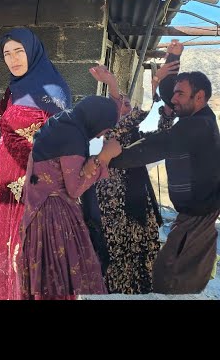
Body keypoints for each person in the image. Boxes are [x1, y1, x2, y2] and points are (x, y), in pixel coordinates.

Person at [107, 69, 220, 294]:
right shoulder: (202, 119)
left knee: (171, 277)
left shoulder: (195, 126)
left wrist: (108, 159)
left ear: (199, 97)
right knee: (175, 274)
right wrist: (167, 70)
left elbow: (155, 146)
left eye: (180, 94)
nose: (173, 100)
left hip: (197, 218)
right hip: (196, 215)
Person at [0, 28, 72, 300]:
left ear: (33, 51)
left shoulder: (53, 91)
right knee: (8, 249)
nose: (13, 59)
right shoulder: (15, 87)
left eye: (19, 51)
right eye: (7, 54)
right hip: (6, 186)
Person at [82, 64, 177, 294]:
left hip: (136, 208)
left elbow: (164, 135)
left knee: (140, 256)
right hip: (109, 210)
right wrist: (114, 87)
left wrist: (166, 104)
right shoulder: (103, 138)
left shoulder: (137, 139)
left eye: (127, 103)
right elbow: (122, 127)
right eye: (121, 104)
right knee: (112, 256)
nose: (127, 107)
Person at [18, 95, 121, 300]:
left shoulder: (62, 122)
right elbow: (75, 189)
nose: (102, 134)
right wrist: (103, 158)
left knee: (46, 277)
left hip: (37, 209)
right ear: (97, 121)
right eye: (105, 129)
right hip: (55, 217)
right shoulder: (72, 137)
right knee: (66, 277)